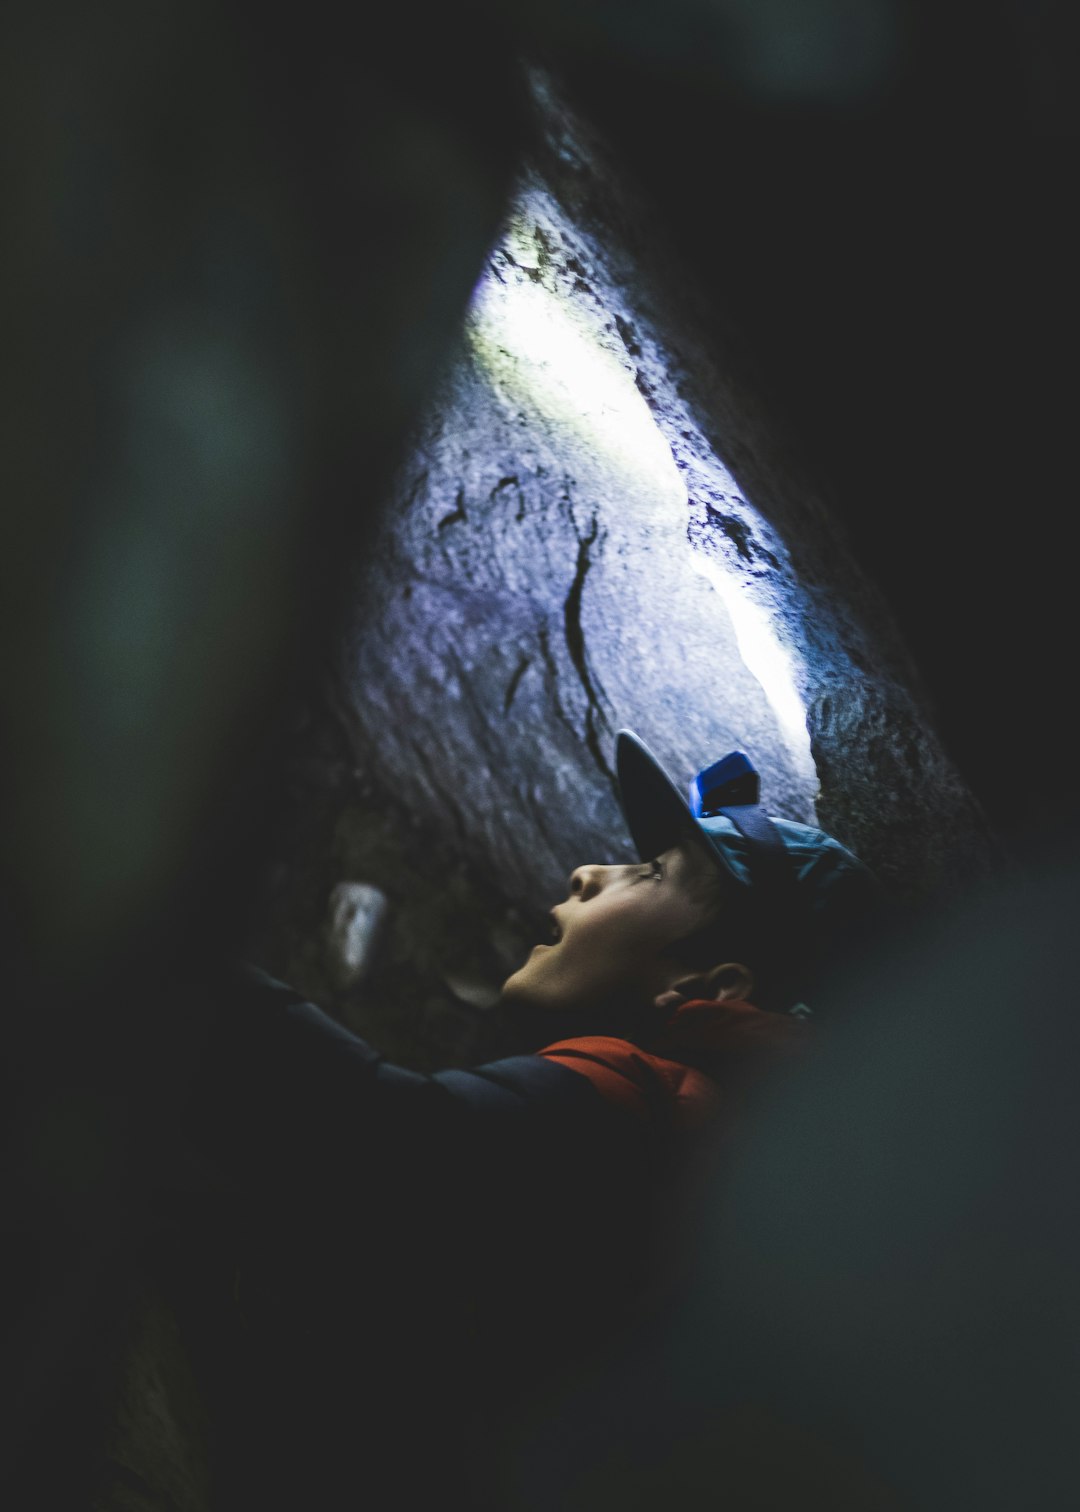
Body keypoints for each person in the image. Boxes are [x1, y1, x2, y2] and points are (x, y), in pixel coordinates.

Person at [185, 728, 881, 1510]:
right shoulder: (724, 1167)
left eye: (648, 873)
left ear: (716, 985)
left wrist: (160, 962)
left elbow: (384, 1144)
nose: (586, 872)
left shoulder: (650, 1103)